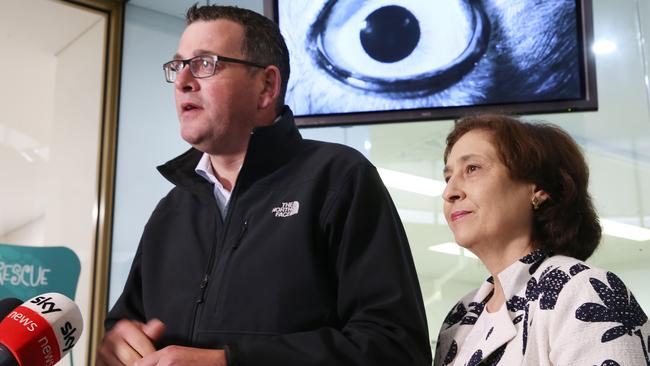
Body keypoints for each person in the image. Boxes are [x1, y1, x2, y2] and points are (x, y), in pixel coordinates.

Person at [97, 4, 431, 366]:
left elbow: (395, 348)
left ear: (266, 86)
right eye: (178, 65)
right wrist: (116, 343)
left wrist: (231, 362)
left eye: (205, 63)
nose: (182, 81)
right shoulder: (171, 210)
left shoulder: (338, 179)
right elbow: (125, 327)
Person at [434, 114, 650, 365]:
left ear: (539, 189)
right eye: (448, 177)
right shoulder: (461, 316)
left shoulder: (583, 290)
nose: (449, 192)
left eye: (473, 168)